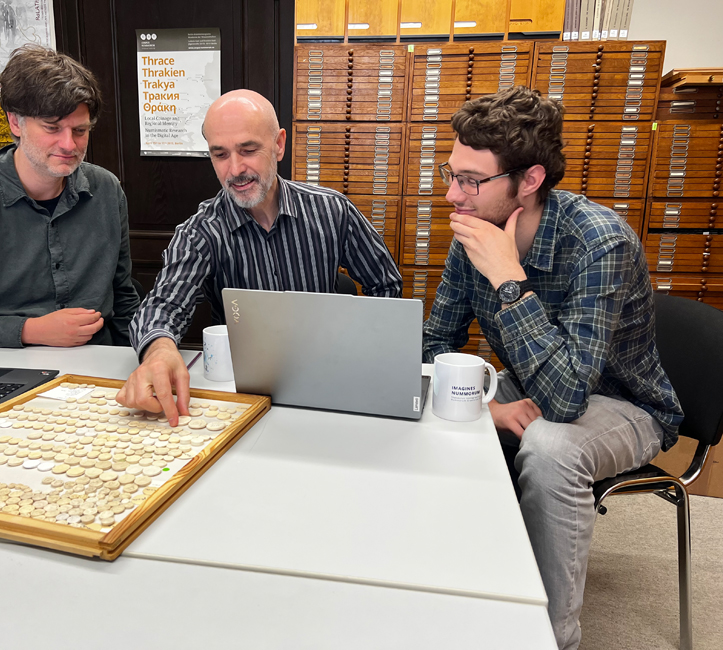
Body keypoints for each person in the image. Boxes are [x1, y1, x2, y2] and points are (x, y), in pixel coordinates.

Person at [421, 87, 683, 650]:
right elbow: (434, 346)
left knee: (550, 449)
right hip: (537, 386)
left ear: (530, 179)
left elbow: (567, 403)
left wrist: (508, 282)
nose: (451, 195)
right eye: (450, 173)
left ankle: (548, 637)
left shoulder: (599, 241)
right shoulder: (474, 231)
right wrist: (484, 406)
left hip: (625, 404)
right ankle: (459, 597)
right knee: (443, 413)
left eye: (470, 180)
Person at [118, 89, 402, 421]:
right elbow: (162, 306)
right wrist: (159, 351)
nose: (235, 169)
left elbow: (385, 287)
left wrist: (358, 347)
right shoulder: (201, 231)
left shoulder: (332, 210)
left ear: (279, 144)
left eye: (249, 150)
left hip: (328, 378)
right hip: (241, 393)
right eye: (220, 154)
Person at [0, 45, 139, 348]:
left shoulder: (106, 190)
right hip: (4, 366)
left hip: (97, 363)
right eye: (52, 128)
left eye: (80, 130)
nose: (69, 144)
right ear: (15, 123)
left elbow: (123, 295)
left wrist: (147, 355)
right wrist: (29, 330)